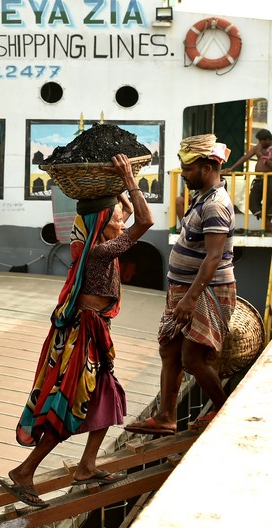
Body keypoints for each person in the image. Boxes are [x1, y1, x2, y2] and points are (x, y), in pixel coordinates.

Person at [0, 155, 154, 508]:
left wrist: (116, 187)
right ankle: (24, 473)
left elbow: (129, 212)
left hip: (93, 335)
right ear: (103, 225)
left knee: (107, 395)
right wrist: (129, 178)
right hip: (81, 338)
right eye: (116, 217)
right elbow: (145, 218)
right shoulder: (101, 252)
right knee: (67, 407)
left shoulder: (92, 244)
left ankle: (86, 465)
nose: (122, 219)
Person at [126, 135, 236, 436]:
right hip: (186, 291)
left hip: (203, 293)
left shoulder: (215, 205)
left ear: (208, 166)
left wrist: (189, 299)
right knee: (170, 352)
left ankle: (224, 411)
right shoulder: (202, 198)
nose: (184, 174)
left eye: (188, 169)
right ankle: (166, 417)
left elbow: (213, 258)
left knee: (191, 357)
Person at [223, 128, 272, 229]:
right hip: (259, 179)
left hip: (270, 179)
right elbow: (246, 157)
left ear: (268, 139)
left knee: (269, 204)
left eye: (262, 141)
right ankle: (267, 224)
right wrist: (231, 168)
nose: (260, 143)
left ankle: (267, 226)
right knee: (252, 202)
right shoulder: (259, 146)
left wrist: (262, 157)